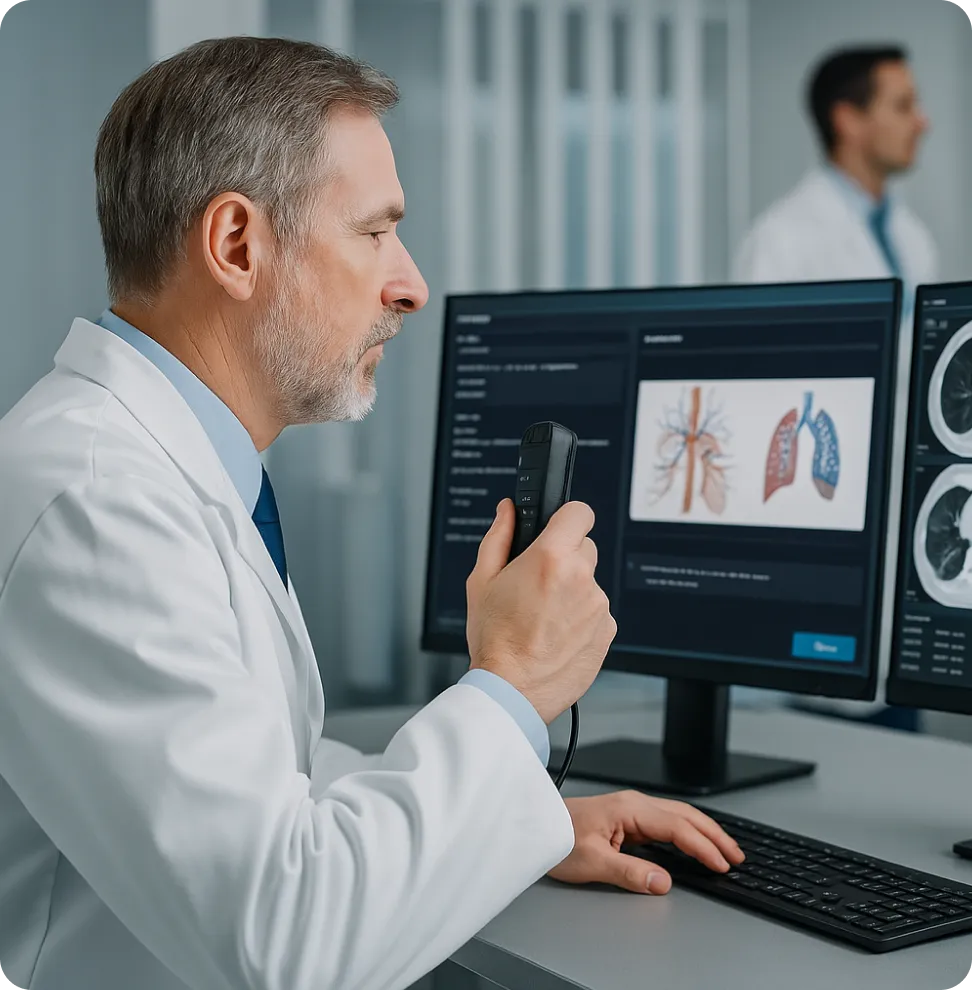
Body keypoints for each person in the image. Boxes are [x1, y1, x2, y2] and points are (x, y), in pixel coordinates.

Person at [0, 38, 742, 990]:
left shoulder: (165, 466)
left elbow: (266, 775)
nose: (410, 283)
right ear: (236, 246)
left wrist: (524, 821)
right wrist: (513, 689)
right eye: (374, 232)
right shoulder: (95, 504)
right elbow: (292, 945)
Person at [734, 45, 936, 732]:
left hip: (904, 554)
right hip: (824, 556)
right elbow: (763, 407)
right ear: (848, 118)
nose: (923, 122)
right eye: (903, 106)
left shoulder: (910, 238)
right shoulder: (784, 241)